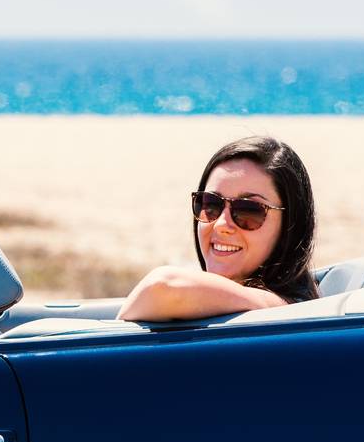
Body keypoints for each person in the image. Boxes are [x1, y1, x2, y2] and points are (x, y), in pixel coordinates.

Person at [119, 135, 320, 321]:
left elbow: (163, 287)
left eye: (249, 211)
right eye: (211, 204)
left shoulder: (280, 307)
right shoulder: (238, 305)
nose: (222, 224)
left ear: (290, 227)